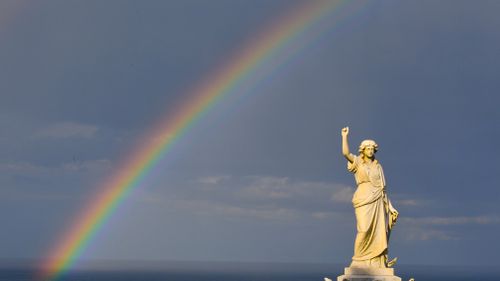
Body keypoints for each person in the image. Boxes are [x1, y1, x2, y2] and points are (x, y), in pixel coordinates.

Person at [341, 126, 398, 268]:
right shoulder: (358, 162)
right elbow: (346, 153)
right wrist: (344, 136)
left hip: (378, 199)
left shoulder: (378, 166)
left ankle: (376, 261)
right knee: (364, 229)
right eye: (368, 148)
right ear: (363, 150)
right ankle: (358, 260)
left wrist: (391, 207)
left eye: (372, 149)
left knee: (378, 232)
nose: (371, 151)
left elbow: (383, 189)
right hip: (363, 197)